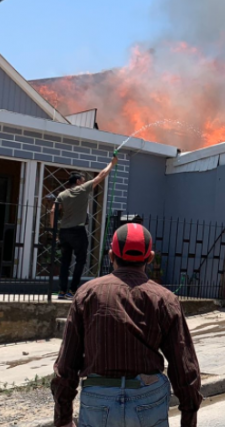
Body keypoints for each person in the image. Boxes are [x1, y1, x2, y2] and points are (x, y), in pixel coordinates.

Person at [51, 223, 202, 427]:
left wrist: (63, 419)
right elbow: (185, 367)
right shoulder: (165, 299)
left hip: (98, 399)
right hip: (148, 399)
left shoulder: (87, 294)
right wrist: (188, 420)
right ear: (149, 258)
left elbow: (66, 365)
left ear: (111, 256)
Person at [53, 156, 118, 300]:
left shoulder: (62, 194)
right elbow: (101, 176)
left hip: (64, 232)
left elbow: (53, 211)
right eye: (82, 179)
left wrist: (55, 232)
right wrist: (111, 164)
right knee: (81, 260)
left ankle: (61, 292)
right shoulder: (82, 189)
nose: (84, 181)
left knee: (64, 261)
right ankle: (72, 290)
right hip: (78, 231)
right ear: (78, 181)